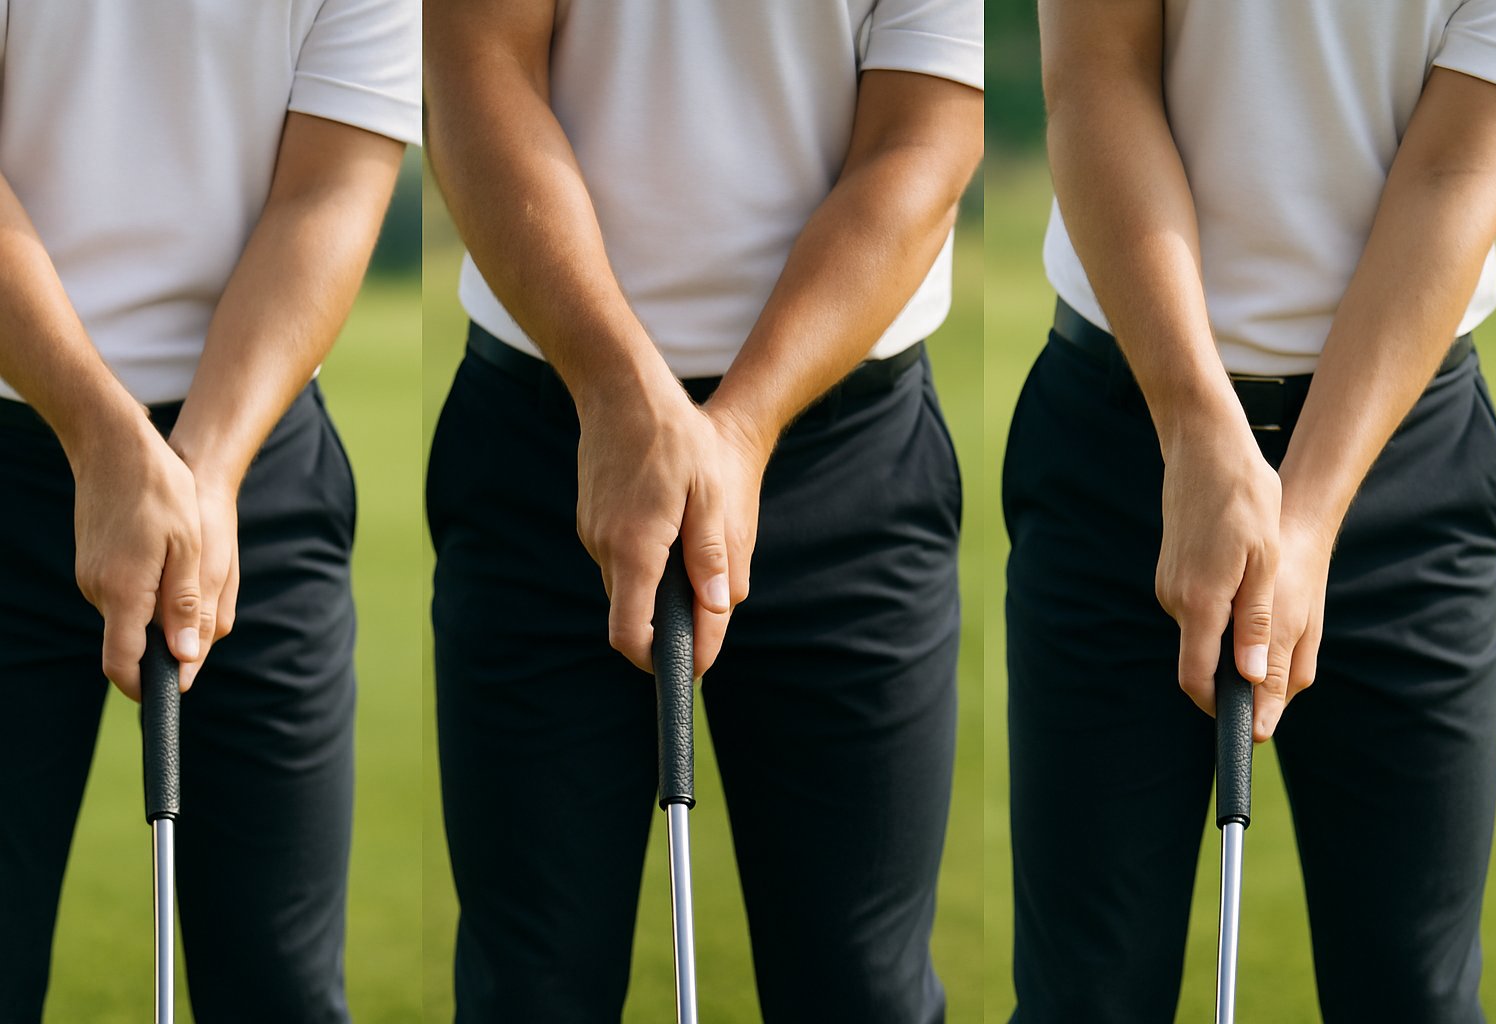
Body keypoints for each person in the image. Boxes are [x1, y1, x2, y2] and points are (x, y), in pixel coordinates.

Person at [424, 2, 981, 1019]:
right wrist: (616, 387)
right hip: (549, 431)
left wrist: (744, 425)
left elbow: (927, 135)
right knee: (531, 987)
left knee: (864, 988)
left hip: (843, 453)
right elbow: (478, 67)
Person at [1007, 2, 1496, 1020]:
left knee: (1415, 995)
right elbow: (1097, 79)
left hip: (1400, 458)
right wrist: (1199, 429)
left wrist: (1309, 514)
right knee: (1088, 993)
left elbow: (1460, 170)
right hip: (1129, 436)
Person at [0, 3, 419, 1020]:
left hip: (250, 459)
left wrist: (204, 471)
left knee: (279, 985)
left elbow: (329, 192)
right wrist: (106, 441)